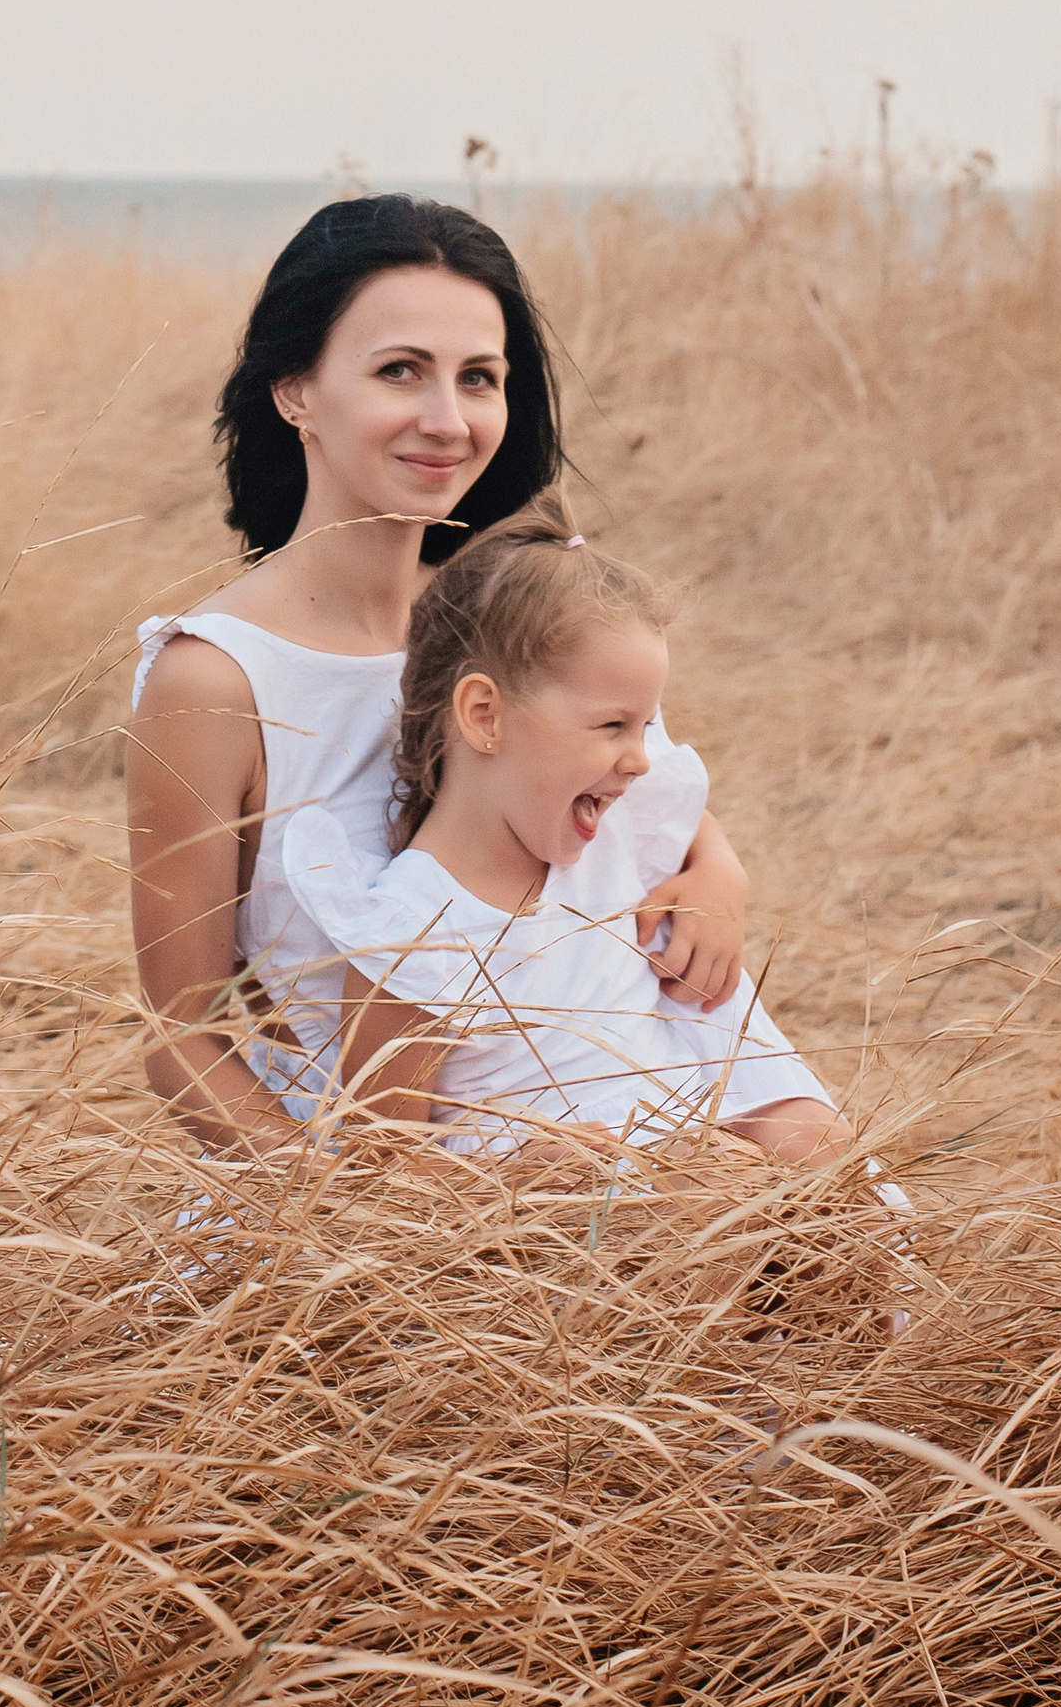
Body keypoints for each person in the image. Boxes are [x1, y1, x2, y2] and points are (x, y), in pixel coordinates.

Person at [125, 193, 808, 1161]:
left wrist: (721, 880)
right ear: (296, 390)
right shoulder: (218, 679)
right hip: (391, 1185)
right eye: (400, 371)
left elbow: (634, 796)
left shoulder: (506, 609)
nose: (447, 420)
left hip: (650, 1084)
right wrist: (356, 1235)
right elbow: (180, 1036)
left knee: (823, 1202)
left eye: (479, 378)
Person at [293, 501, 852, 1169]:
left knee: (822, 1147)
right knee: (704, 1180)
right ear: (484, 715)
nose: (642, 757)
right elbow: (380, 1164)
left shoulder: (606, 834)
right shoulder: (413, 934)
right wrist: (514, 1180)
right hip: (558, 1218)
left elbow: (682, 823)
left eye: (646, 727)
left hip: (690, 1133)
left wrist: (718, 870)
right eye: (613, 726)